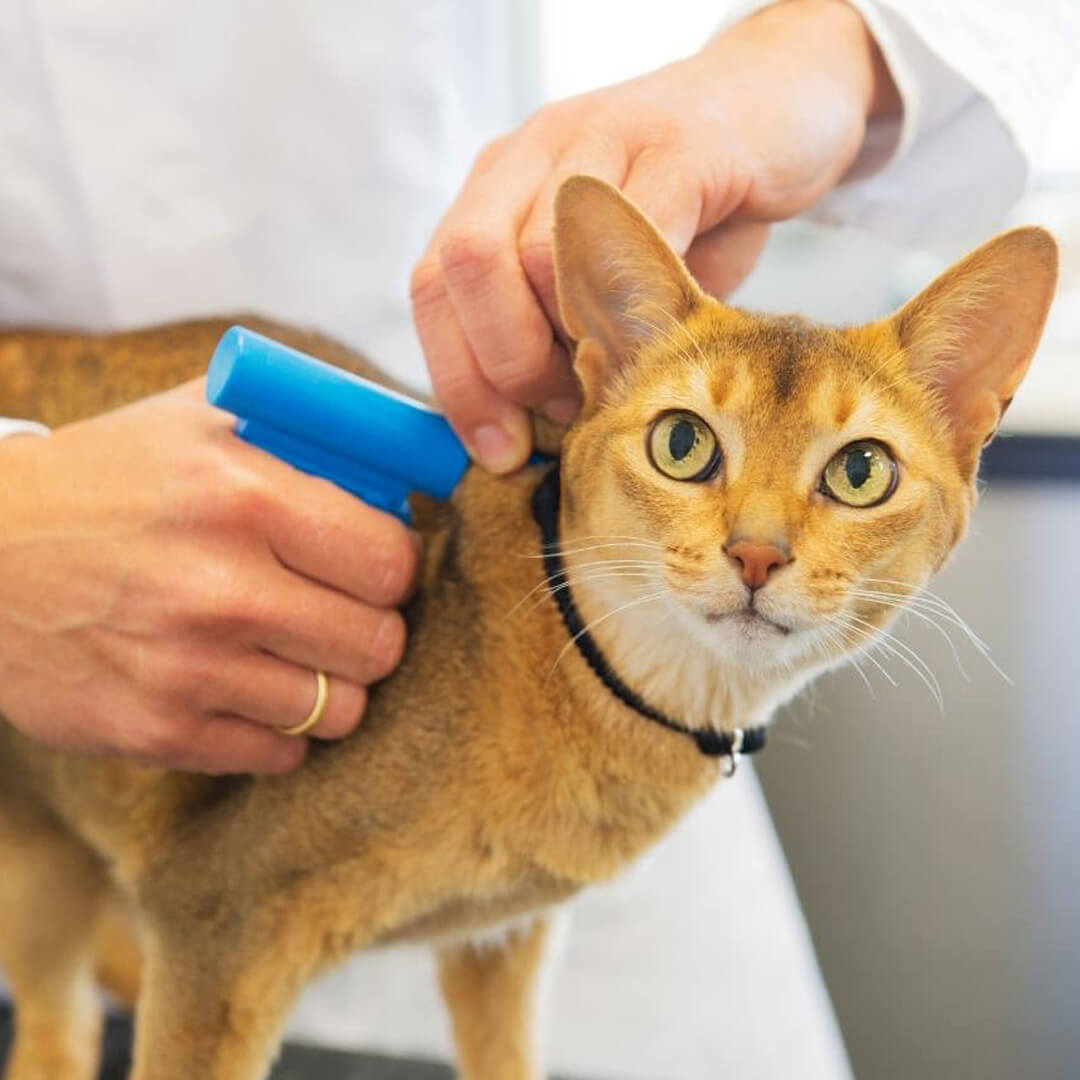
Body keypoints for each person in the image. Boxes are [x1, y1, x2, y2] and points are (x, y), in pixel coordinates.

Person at [0, 1, 1075, 1074]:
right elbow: (216, 906)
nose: (761, 547)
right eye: (693, 450)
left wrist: (813, 57)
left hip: (469, 408)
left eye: (855, 472)